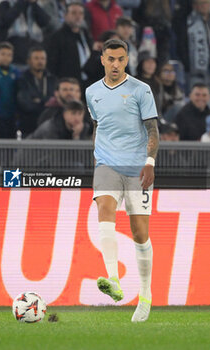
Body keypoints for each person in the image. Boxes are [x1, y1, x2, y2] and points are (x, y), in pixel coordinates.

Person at [85, 39, 159, 322]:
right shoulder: (92, 92)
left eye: (121, 59)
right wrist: (97, 157)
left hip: (137, 168)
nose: (115, 64)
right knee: (104, 208)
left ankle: (145, 294)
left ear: (127, 60)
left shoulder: (142, 90)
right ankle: (113, 280)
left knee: (140, 233)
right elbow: (97, 125)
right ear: (102, 60)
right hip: (106, 165)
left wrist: (150, 162)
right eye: (110, 59)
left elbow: (152, 129)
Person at [46, 2, 92, 90]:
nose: (78, 16)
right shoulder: (57, 37)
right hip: (67, 85)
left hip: (86, 83)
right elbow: (52, 65)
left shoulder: (85, 34)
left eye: (81, 13)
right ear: (65, 16)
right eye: (74, 13)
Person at [17, 46, 56, 137]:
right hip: (28, 126)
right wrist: (46, 102)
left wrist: (38, 100)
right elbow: (25, 104)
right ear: (28, 61)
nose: (40, 61)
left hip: (49, 126)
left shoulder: (52, 79)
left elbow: (54, 102)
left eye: (42, 58)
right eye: (36, 58)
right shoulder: (22, 80)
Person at [0, 0, 50, 65]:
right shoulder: (5, 4)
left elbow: (45, 22)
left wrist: (34, 4)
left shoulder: (34, 5)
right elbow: (5, 21)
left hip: (34, 47)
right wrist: (22, 2)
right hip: (15, 47)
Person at [175, 0, 210, 91]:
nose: (202, 6)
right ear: (194, 5)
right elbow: (181, 44)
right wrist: (186, 63)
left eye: (205, 3)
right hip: (194, 69)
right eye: (199, 3)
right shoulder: (188, 21)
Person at [0, 42, 20, 138]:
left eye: (9, 55)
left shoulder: (16, 72)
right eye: (3, 54)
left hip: (12, 115)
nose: (6, 57)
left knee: (11, 144)